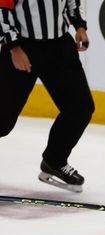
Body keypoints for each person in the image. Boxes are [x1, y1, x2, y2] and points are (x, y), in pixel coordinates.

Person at [0, 0, 94, 192]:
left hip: (59, 47)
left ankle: (54, 161)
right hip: (23, 48)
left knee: (80, 108)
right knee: (2, 120)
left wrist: (80, 26)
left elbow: (72, 1)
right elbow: (2, 9)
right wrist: (14, 48)